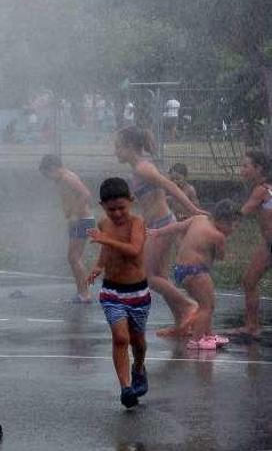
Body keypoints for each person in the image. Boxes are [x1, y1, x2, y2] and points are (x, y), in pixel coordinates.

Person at [114, 126, 205, 337]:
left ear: (129, 147)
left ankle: (189, 305)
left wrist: (192, 209)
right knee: (161, 276)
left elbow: (170, 186)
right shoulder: (138, 167)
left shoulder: (143, 168)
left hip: (162, 225)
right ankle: (181, 321)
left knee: (149, 276)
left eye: (118, 147)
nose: (115, 152)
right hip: (156, 225)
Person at [85, 177, 149, 409]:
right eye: (111, 209)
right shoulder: (104, 224)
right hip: (112, 291)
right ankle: (126, 388)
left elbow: (134, 250)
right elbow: (106, 249)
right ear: (102, 205)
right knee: (121, 338)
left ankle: (139, 368)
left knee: (138, 341)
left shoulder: (137, 223)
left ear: (131, 202)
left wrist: (107, 240)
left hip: (137, 292)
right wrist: (98, 266)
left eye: (122, 208)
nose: (117, 214)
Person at [149, 200, 239, 350]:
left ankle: (208, 335)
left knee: (207, 304)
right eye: (232, 225)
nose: (233, 229)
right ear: (222, 221)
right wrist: (223, 249)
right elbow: (220, 256)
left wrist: (158, 232)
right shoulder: (218, 236)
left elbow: (178, 227)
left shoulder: (198, 219)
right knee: (207, 307)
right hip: (197, 272)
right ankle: (197, 340)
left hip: (180, 270)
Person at [39, 155, 95, 303]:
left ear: (52, 168)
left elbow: (86, 194)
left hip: (82, 221)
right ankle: (82, 293)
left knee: (74, 257)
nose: (49, 179)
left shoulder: (67, 177)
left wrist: (75, 214)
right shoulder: (62, 179)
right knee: (73, 258)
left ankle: (85, 294)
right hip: (78, 221)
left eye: (47, 175)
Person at [237, 151, 272, 338]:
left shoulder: (261, 190)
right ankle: (252, 326)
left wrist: (215, 217)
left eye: (245, 166)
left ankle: (252, 326)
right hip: (268, 244)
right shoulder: (264, 188)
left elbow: (242, 212)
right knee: (249, 280)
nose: (241, 170)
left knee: (249, 280)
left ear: (258, 168)